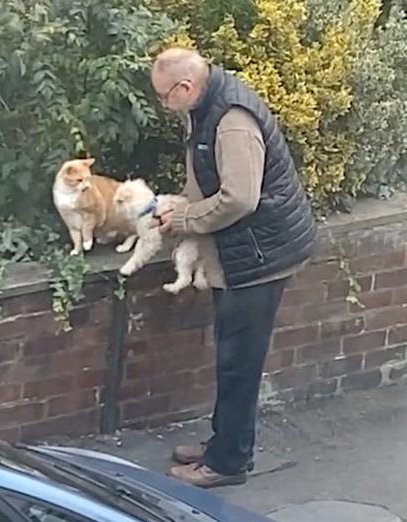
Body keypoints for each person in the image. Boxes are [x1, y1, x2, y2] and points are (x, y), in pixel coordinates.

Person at [150, 48, 316, 488]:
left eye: (165, 97)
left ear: (185, 88)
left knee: (239, 363)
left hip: (261, 256)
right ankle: (223, 444)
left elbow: (241, 198)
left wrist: (185, 218)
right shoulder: (205, 106)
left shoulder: (232, 121)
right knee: (231, 356)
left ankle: (227, 463)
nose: (164, 106)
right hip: (244, 253)